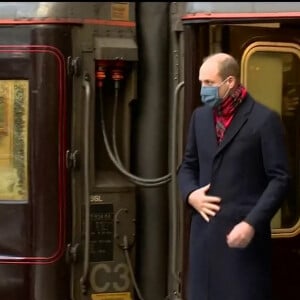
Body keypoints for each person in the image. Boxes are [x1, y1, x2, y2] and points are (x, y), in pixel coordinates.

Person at [177, 52, 290, 300]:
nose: (202, 89)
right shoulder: (200, 118)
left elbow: (280, 178)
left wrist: (251, 223)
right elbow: (188, 165)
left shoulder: (264, 120)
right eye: (201, 82)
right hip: (204, 245)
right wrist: (190, 195)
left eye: (209, 83)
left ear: (230, 82)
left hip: (242, 246)